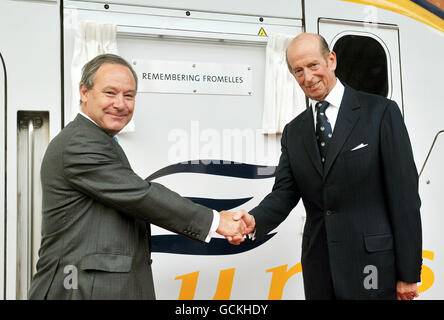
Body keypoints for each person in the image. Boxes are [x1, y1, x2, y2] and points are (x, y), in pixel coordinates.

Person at [28, 53, 245, 300]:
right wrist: (216, 221)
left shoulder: (98, 139)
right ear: (84, 92)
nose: (120, 104)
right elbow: (141, 196)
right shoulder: (80, 142)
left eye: (129, 95)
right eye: (110, 93)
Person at [233, 33, 422, 300]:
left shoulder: (380, 113)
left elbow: (405, 199)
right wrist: (254, 220)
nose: (308, 78)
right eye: (298, 71)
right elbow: (284, 193)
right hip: (320, 267)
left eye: (313, 66)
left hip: (373, 266)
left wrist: (409, 273)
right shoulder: (294, 131)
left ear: (331, 60)